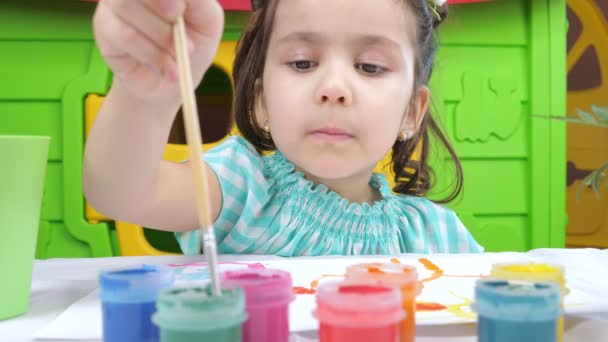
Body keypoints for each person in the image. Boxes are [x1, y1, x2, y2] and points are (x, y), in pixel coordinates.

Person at [84, 0, 484, 256]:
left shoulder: (436, 238)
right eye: (302, 63)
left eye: (370, 67)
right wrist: (145, 92)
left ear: (412, 112)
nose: (333, 89)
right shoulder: (240, 188)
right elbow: (121, 192)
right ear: (261, 102)